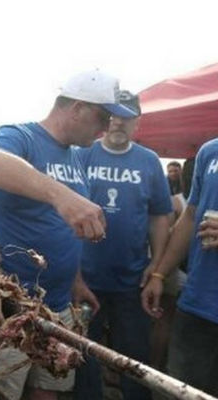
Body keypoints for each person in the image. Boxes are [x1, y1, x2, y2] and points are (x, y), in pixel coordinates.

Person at [0, 70, 137, 400]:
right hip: (10, 306)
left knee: (48, 390)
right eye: (102, 116)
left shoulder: (75, 157)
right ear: (77, 108)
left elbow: (63, 227)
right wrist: (60, 194)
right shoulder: (21, 136)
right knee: (1, 393)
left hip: (59, 306)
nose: (106, 127)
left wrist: (75, 280)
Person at [74, 91, 172, 400]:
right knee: (82, 354)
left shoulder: (149, 161)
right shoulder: (82, 154)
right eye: (114, 115)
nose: (118, 122)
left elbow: (160, 216)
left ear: (137, 123)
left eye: (126, 117)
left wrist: (156, 266)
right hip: (85, 277)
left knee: (135, 356)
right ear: (105, 118)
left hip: (132, 281)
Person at [141, 138, 218, 396]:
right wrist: (160, 274)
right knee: (180, 391)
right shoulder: (209, 151)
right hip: (197, 304)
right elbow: (191, 216)